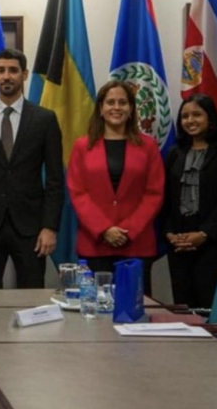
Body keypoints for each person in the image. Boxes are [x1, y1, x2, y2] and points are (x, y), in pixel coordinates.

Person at [0, 48, 64, 289]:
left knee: (31, 297)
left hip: (31, 228)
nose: (6, 76)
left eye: (13, 70)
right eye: (1, 70)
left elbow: (55, 181)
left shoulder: (45, 119)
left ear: (24, 75)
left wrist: (49, 227)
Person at [67, 80, 164, 294]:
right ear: (101, 109)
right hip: (95, 245)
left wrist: (127, 231)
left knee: (133, 306)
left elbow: (154, 193)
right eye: (110, 102)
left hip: (136, 244)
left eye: (122, 102)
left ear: (131, 109)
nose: (116, 107)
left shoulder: (148, 146)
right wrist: (104, 229)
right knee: (94, 307)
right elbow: (78, 192)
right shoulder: (82, 146)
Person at [163, 94, 217, 308]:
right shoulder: (173, 155)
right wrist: (169, 233)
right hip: (179, 245)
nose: (190, 120)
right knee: (184, 308)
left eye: (197, 115)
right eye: (185, 116)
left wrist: (203, 234)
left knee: (210, 308)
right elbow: (166, 199)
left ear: (211, 119)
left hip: (214, 245)